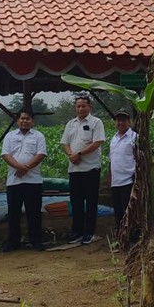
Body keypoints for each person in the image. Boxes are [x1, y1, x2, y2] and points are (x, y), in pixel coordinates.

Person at [60, 95, 105, 244]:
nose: (80, 109)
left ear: (89, 107)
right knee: (76, 202)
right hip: (74, 169)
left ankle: (89, 232)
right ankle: (77, 231)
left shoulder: (96, 122)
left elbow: (97, 142)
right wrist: (71, 155)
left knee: (91, 202)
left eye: (83, 106)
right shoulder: (70, 124)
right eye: (78, 106)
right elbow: (65, 143)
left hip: (90, 168)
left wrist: (79, 154)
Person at [0, 109, 47, 252]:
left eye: (27, 119)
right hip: (14, 181)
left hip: (33, 181)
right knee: (14, 213)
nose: (24, 121)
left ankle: (36, 241)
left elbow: (40, 154)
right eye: (22, 118)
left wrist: (25, 168)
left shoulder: (38, 136)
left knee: (34, 212)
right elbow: (6, 154)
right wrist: (19, 167)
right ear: (17, 120)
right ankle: (13, 242)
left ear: (32, 121)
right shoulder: (10, 136)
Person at [108, 110, 137, 233]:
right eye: (118, 120)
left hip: (129, 180)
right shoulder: (113, 139)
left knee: (129, 210)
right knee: (118, 211)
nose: (120, 123)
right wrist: (109, 177)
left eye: (123, 120)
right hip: (116, 182)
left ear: (129, 122)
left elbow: (140, 159)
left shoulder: (134, 137)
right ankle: (121, 235)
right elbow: (112, 160)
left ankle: (131, 235)